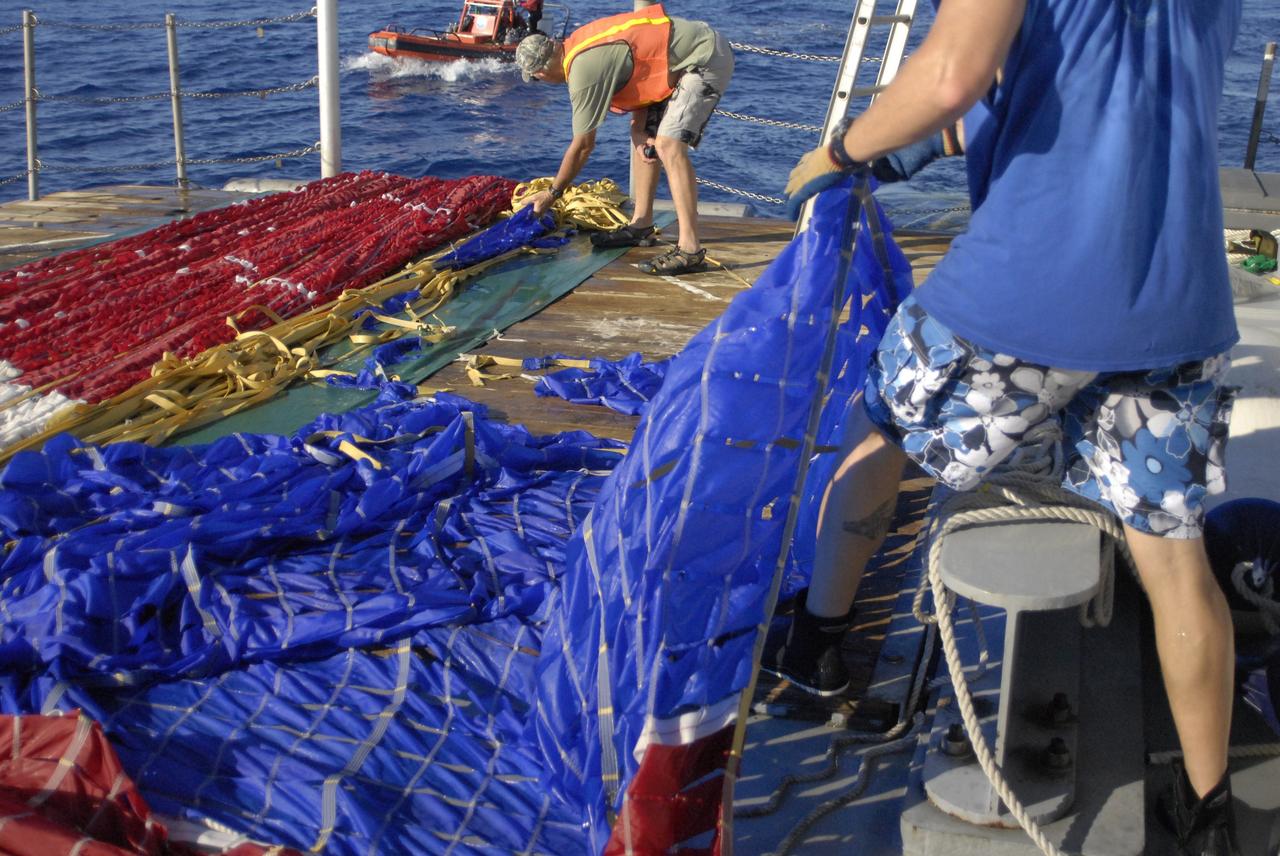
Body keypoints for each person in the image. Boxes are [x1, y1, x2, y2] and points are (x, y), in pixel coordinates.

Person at [777, 0, 1243, 853]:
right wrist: (922, 146)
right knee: (1176, 561)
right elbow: (1080, 92)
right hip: (1177, 306)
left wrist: (840, 155)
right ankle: (1210, 814)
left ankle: (818, 643)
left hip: (1023, 296)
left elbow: (953, 74)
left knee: (879, 425)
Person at [513, 5, 734, 276]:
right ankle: (640, 224)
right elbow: (641, 68)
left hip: (703, 58)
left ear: (542, 72)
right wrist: (639, 130)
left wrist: (552, 194)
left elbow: (583, 146)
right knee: (645, 143)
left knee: (668, 146)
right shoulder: (577, 45)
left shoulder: (581, 72)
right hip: (679, 59)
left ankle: (690, 250)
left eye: (535, 78)